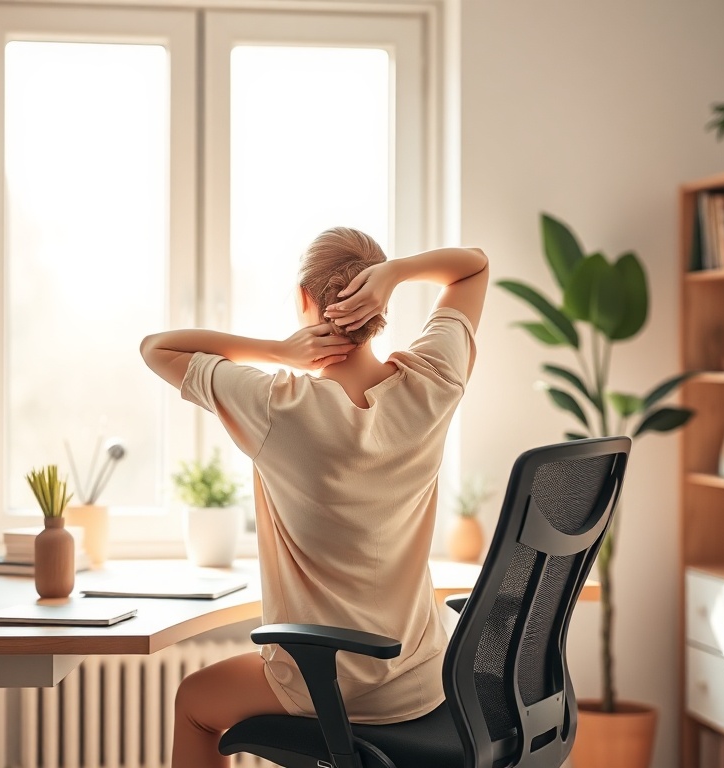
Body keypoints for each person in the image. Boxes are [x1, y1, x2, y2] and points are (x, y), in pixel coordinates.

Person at [140, 227, 488, 768]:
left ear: (306, 299)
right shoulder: (432, 382)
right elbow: (473, 266)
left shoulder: (277, 405)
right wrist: (397, 272)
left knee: (193, 701)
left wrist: (278, 351)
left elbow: (156, 348)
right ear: (381, 303)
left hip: (328, 687)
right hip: (425, 679)